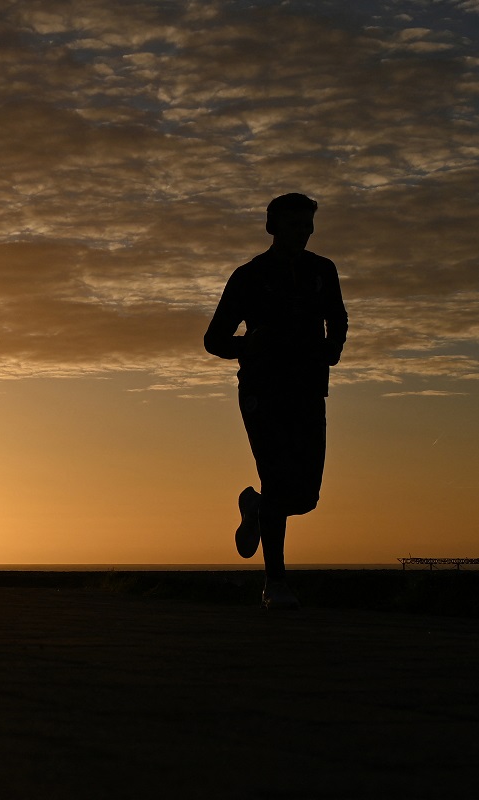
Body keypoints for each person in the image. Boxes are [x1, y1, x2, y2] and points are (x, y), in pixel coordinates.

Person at [204, 193, 348, 609]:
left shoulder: (323, 271)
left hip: (307, 389)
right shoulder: (249, 276)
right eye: (294, 225)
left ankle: (256, 509)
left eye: (308, 225)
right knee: (276, 476)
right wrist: (248, 345)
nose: (303, 233)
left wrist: (331, 350)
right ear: (272, 226)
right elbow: (213, 339)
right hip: (261, 391)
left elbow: (337, 317)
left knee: (305, 497)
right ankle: (275, 583)